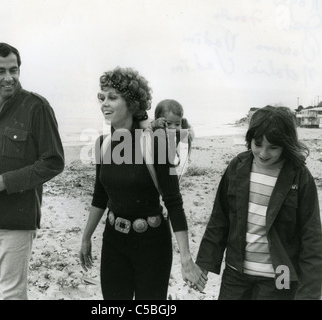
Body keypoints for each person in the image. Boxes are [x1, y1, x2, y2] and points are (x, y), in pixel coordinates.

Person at [79, 66, 206, 300]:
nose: (105, 103)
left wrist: (186, 258)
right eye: (102, 97)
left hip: (152, 245)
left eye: (113, 98)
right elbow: (100, 196)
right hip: (114, 242)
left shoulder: (156, 143)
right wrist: (86, 237)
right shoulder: (102, 145)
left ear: (132, 103)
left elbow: (174, 202)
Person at [0, 42, 65, 300]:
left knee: (11, 295)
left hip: (16, 224)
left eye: (14, 70)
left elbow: (53, 161)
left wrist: (5, 181)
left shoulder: (36, 107)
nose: (9, 78)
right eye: (0, 71)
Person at [194, 105, 322, 300]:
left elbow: (312, 238)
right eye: (258, 144)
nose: (263, 153)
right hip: (235, 274)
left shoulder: (300, 177)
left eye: (273, 147)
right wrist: (205, 262)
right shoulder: (237, 167)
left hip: (281, 276)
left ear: (286, 145)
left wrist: (309, 294)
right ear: (249, 139)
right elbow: (219, 219)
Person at [151, 99, 195, 180]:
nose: (173, 127)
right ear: (158, 120)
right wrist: (153, 125)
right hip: (159, 171)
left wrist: (187, 127)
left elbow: (191, 136)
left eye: (177, 124)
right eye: (168, 123)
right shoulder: (157, 134)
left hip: (176, 171)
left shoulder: (181, 134)